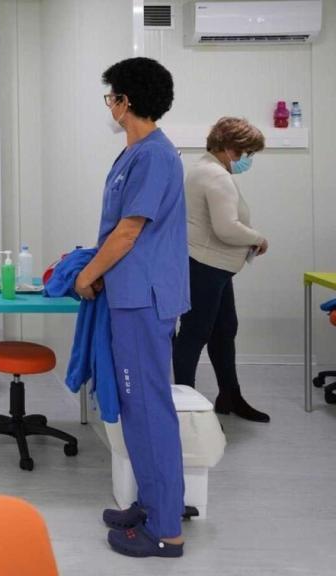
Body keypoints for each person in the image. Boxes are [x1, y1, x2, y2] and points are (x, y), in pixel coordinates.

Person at [75, 58, 188, 557]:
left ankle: (165, 530)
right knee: (138, 410)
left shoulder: (155, 156)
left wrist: (87, 274)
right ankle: (152, 503)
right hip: (130, 294)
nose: (110, 107)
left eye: (111, 97)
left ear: (126, 101)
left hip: (143, 298)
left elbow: (127, 231)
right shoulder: (135, 154)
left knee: (146, 409)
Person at [172, 118, 269, 422]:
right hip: (206, 266)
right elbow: (226, 228)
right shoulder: (215, 175)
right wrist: (258, 238)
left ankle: (230, 395)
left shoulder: (203, 168)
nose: (246, 159)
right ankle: (185, 409)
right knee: (194, 334)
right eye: (245, 153)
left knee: (224, 330)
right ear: (229, 147)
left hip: (213, 266)